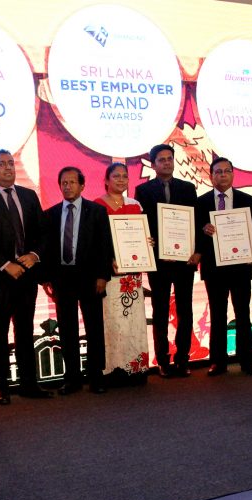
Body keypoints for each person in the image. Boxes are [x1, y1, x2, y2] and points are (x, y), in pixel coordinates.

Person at [0, 149, 50, 405]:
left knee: (25, 329)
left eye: (11, 163)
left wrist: (34, 255)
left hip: (26, 273)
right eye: (1, 164)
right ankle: (1, 385)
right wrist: (5, 265)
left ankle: (29, 383)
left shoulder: (29, 195)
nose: (8, 168)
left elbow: (43, 232)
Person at [43, 167, 113, 394]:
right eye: (64, 182)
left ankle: (96, 376)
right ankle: (72, 378)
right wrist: (46, 278)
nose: (67, 186)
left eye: (72, 182)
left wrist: (103, 275)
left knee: (94, 328)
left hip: (91, 278)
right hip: (62, 278)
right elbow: (46, 249)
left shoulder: (97, 211)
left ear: (82, 186)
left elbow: (105, 245)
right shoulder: (50, 214)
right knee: (67, 329)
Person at [135, 143, 200, 378]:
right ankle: (162, 360)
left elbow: (196, 222)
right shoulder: (143, 190)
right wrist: (147, 241)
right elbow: (142, 223)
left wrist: (197, 251)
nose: (166, 163)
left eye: (169, 158)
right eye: (161, 160)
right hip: (158, 261)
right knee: (160, 311)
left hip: (185, 261)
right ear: (153, 165)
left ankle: (183, 359)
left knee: (185, 311)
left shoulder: (188, 188)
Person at [198, 157, 252, 376]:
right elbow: (194, 233)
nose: (223, 175)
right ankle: (218, 362)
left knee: (243, 313)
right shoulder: (201, 202)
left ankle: (247, 361)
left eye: (227, 171)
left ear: (233, 174)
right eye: (218, 171)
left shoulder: (248, 200)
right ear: (211, 176)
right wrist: (203, 229)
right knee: (217, 315)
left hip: (240, 267)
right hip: (214, 268)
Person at [94, 163, 149, 385]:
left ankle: (136, 368)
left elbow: (142, 235)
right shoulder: (97, 205)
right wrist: (108, 260)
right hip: (110, 275)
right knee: (112, 322)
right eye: (115, 176)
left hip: (132, 276)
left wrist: (148, 243)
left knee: (134, 321)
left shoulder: (135, 205)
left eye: (124, 176)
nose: (120, 179)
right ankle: (112, 369)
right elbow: (96, 241)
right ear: (106, 180)